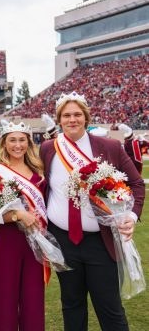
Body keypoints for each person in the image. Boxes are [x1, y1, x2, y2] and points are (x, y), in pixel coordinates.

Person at [40, 91, 145, 331]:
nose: (72, 119)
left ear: (86, 118)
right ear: (59, 119)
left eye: (77, 114)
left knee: (109, 307)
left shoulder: (109, 147)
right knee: (71, 305)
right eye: (66, 115)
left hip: (102, 241)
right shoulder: (48, 148)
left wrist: (130, 215)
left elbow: (137, 184)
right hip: (63, 241)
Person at [0, 121, 48, 331]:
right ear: (4, 144)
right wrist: (18, 215)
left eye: (22, 140)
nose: (17, 145)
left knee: (33, 299)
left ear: (28, 142)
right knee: (5, 299)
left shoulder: (39, 171)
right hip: (8, 241)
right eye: (12, 140)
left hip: (36, 240)